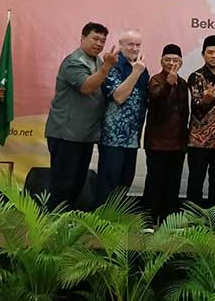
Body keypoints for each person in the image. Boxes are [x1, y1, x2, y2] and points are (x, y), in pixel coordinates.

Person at [45, 22, 118, 210]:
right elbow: (86, 87)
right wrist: (107, 67)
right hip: (66, 134)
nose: (99, 44)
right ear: (83, 38)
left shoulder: (97, 61)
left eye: (103, 41)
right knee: (62, 185)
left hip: (85, 135)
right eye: (95, 39)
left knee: (76, 184)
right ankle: (52, 222)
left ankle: (67, 220)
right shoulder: (74, 61)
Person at [95, 29, 149, 206]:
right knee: (108, 184)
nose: (134, 48)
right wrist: (136, 73)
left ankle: (116, 217)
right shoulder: (113, 65)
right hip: (113, 138)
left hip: (132, 138)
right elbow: (119, 97)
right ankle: (101, 219)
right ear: (120, 44)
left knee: (125, 183)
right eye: (130, 44)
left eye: (138, 45)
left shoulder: (140, 66)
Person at [143, 44, 189, 225]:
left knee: (173, 183)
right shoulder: (156, 79)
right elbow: (154, 98)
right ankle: (149, 219)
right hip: (157, 142)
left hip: (178, 143)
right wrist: (168, 84)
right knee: (155, 181)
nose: (171, 63)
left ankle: (168, 219)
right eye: (168, 60)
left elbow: (184, 113)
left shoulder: (183, 83)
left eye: (175, 60)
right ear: (161, 61)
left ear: (181, 62)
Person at [187, 35, 215, 207]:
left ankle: (214, 219)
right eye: (210, 52)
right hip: (198, 141)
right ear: (203, 54)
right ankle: (193, 218)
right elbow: (196, 109)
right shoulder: (196, 77)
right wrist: (205, 100)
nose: (213, 56)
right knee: (196, 181)